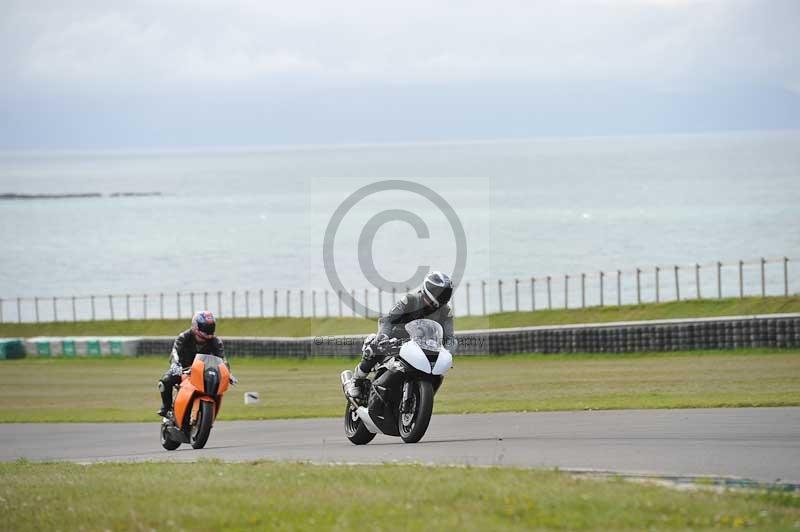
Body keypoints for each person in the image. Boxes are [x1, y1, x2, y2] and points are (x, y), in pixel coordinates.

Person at [344, 271, 456, 398]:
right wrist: (383, 336)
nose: (442, 295)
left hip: (423, 346)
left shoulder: (445, 311)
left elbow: (449, 337)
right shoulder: (410, 300)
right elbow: (389, 320)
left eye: (445, 292)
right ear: (429, 288)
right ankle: (356, 381)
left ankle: (417, 399)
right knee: (373, 348)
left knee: (437, 372)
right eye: (439, 291)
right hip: (396, 339)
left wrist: (448, 351)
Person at [157, 310, 230, 417]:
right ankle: (166, 407)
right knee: (165, 382)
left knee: (217, 387)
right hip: (183, 368)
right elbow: (175, 352)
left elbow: (222, 359)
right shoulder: (184, 337)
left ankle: (208, 414)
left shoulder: (216, 341)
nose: (209, 330)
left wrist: (228, 373)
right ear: (196, 326)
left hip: (204, 371)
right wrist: (175, 364)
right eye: (205, 327)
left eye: (211, 327)